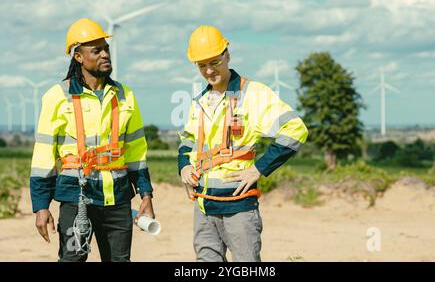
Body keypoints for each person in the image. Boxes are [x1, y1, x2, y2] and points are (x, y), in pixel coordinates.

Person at [178, 25, 308, 262]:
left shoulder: (254, 94)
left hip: (238, 207)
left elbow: (295, 129)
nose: (208, 70)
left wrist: (260, 168)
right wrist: (184, 167)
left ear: (227, 54)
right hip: (204, 206)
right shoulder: (200, 101)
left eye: (214, 62)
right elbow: (187, 139)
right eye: (201, 65)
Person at [30, 18, 155, 262]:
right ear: (78, 57)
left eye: (106, 48)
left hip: (118, 198)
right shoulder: (57, 96)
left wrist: (146, 195)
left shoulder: (125, 94)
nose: (105, 54)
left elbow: (137, 152)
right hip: (75, 197)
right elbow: (43, 156)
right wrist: (41, 206)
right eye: (96, 50)